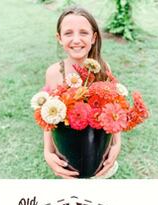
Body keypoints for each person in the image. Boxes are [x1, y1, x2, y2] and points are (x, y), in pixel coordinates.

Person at [43, 7, 121, 179]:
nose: (76, 39)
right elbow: (47, 117)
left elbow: (113, 109)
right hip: (68, 157)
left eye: (83, 33)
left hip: (99, 154)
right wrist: (48, 152)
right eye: (68, 33)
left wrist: (116, 145)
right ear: (59, 38)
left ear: (93, 38)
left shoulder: (103, 68)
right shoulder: (54, 73)